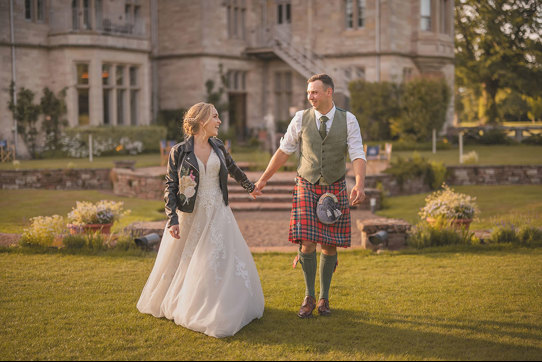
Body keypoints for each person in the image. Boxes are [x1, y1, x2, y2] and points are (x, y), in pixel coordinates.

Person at [137, 102, 265, 338]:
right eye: (215, 117)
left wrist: (250, 187)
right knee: (191, 258)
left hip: (218, 210)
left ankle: (222, 302)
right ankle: (188, 299)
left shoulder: (218, 145)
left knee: (220, 256)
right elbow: (171, 186)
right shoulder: (179, 151)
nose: (219, 121)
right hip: (191, 214)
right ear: (203, 120)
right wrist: (172, 219)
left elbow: (232, 167)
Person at [255, 74, 366, 318]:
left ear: (329, 93)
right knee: (307, 241)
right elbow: (284, 151)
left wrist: (359, 183)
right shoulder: (300, 118)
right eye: (308, 93)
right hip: (306, 184)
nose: (310, 97)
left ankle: (324, 298)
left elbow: (357, 152)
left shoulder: (348, 120)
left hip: (334, 186)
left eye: (315, 92)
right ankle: (309, 296)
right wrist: (264, 179)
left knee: (329, 243)